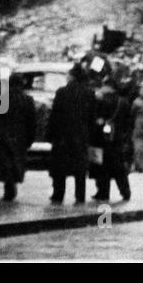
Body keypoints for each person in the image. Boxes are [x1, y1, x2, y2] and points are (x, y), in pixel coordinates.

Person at [0, 74, 36, 202]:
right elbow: (32, 122)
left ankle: (8, 186)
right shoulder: (27, 99)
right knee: (17, 161)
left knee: (6, 161)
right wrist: (30, 138)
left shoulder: (1, 99)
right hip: (20, 136)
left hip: (4, 135)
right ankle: (13, 182)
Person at [48, 64, 93, 205]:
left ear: (72, 76)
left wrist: (50, 134)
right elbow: (92, 117)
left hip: (63, 135)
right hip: (81, 135)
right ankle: (80, 196)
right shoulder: (89, 93)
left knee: (59, 166)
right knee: (80, 168)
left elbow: (55, 115)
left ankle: (58, 194)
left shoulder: (62, 92)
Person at [91, 80, 132, 202]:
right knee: (119, 167)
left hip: (98, 139)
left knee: (100, 166)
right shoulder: (123, 102)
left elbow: (94, 116)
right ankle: (125, 191)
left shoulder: (99, 100)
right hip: (116, 139)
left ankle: (102, 191)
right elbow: (127, 122)